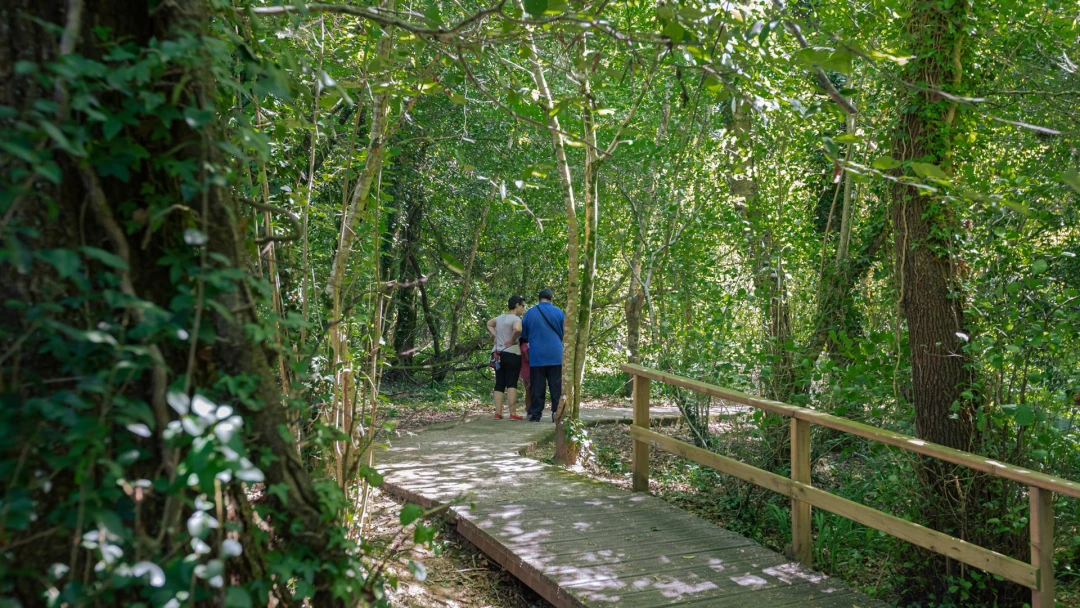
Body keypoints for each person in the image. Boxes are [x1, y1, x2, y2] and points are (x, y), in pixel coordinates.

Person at [520, 287, 565, 422]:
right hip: (555, 354)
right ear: (551, 299)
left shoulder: (530, 313)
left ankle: (536, 414)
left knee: (537, 386)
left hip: (537, 355)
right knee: (555, 386)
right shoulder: (559, 312)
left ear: (538, 299)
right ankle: (556, 413)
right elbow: (564, 333)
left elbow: (524, 334)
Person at [486, 295, 526, 420]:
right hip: (512, 353)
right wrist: (513, 339)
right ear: (517, 305)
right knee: (511, 382)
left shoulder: (500, 318)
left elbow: (489, 323)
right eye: (523, 306)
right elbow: (518, 329)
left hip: (497, 353)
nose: (523, 309)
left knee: (499, 382)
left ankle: (498, 413)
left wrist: (496, 335)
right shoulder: (516, 319)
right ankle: (512, 413)